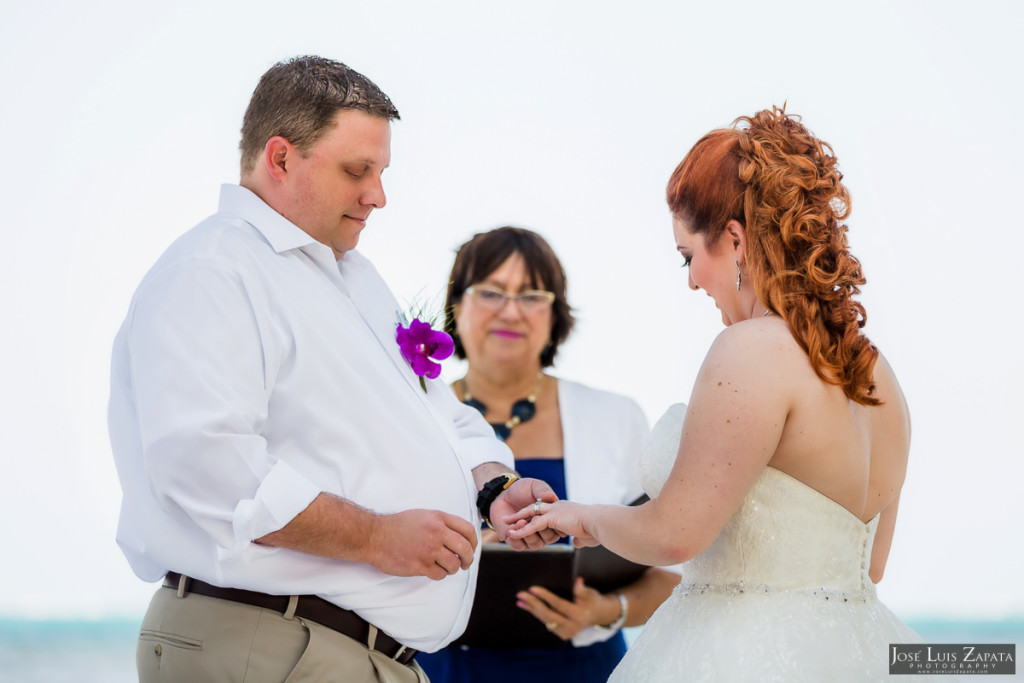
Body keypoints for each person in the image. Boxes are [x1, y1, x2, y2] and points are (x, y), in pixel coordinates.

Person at [108, 56, 558, 683]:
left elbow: (438, 416)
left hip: (335, 653)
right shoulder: (212, 272)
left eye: (381, 172)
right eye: (358, 170)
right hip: (269, 645)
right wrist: (377, 538)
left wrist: (493, 488)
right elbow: (204, 464)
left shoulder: (356, 281)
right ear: (282, 158)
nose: (379, 195)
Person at [507, 107, 924, 681]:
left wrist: (582, 518)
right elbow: (870, 568)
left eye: (688, 255)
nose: (689, 280)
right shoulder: (877, 372)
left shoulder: (751, 349)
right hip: (858, 650)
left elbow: (674, 535)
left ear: (734, 240)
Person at [416, 227, 681, 682]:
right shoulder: (414, 414)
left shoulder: (615, 417)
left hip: (582, 669)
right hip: (438, 669)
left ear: (555, 314)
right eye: (492, 292)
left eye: (531, 295)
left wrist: (605, 609)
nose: (511, 311)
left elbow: (672, 571)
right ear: (456, 306)